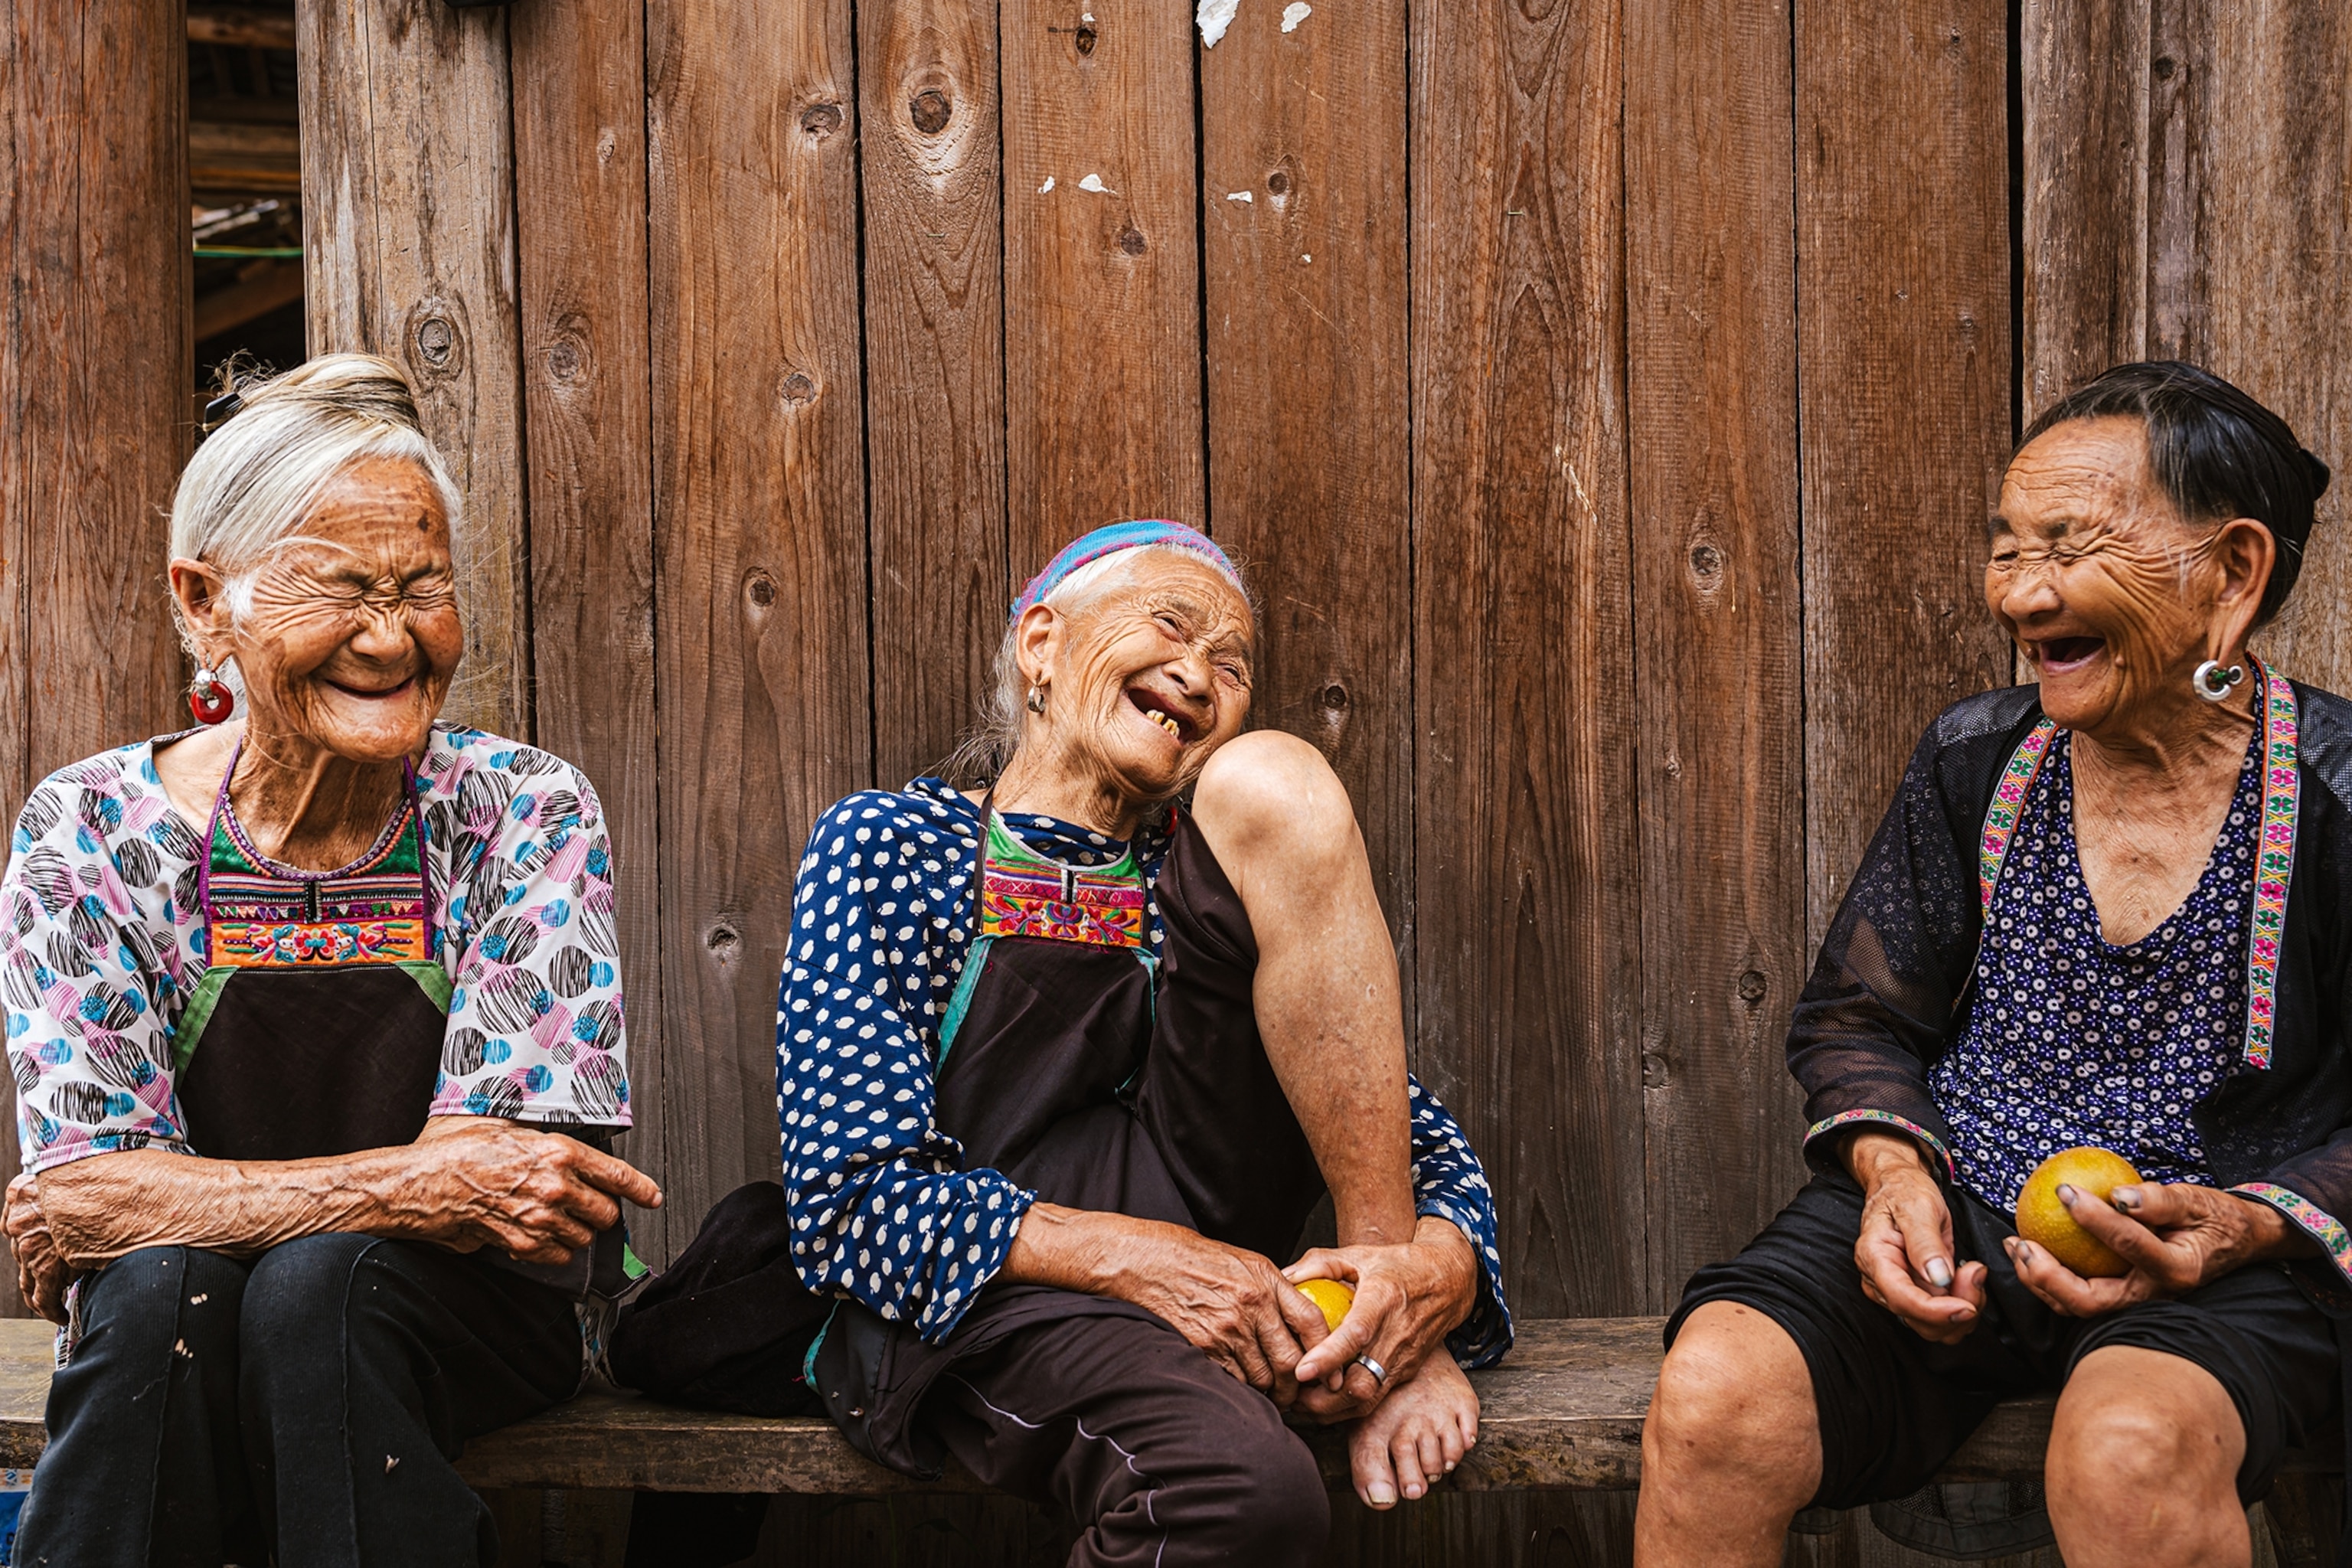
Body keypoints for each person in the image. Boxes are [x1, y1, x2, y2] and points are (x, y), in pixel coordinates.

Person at [613, 520, 1511, 1566]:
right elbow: (851, 1205)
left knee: (1280, 777)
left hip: (1244, 1307)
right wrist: (1151, 1261)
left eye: (1233, 665)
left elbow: (1419, 1148)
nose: (1201, 674)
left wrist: (1415, 1298)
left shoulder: (1221, 868)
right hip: (1000, 1306)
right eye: (1171, 627)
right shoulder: (895, 846)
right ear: (1040, 643)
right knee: (1238, 1492)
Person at [1635, 361, 2347, 1567]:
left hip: (2233, 1253)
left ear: (2234, 571)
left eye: (2068, 546)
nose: (2022, 596)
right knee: (1715, 1398)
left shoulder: (2335, 793)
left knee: (2130, 1452)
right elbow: (1857, 1017)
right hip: (1965, 1203)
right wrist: (1893, 1169)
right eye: (2009, 549)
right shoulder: (1978, 759)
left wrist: (2249, 1224)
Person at [0, 354, 661, 1567]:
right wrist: (414, 1182)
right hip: (188, 1301)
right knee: (157, 1300)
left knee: (317, 1290)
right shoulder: (88, 827)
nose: (388, 634)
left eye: (422, 587)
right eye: (340, 587)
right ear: (206, 604)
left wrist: (167, 1199)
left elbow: (508, 1190)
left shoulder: (519, 806)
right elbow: (92, 1198)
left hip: (454, 1312)